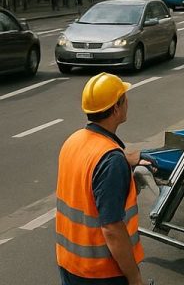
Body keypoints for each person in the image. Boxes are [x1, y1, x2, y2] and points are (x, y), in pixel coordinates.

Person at [56, 73, 154, 285]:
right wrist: (135, 277)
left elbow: (89, 170)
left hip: (70, 264)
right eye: (124, 98)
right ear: (117, 108)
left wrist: (127, 159)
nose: (128, 102)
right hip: (102, 274)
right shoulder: (111, 161)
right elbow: (112, 229)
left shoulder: (73, 141)